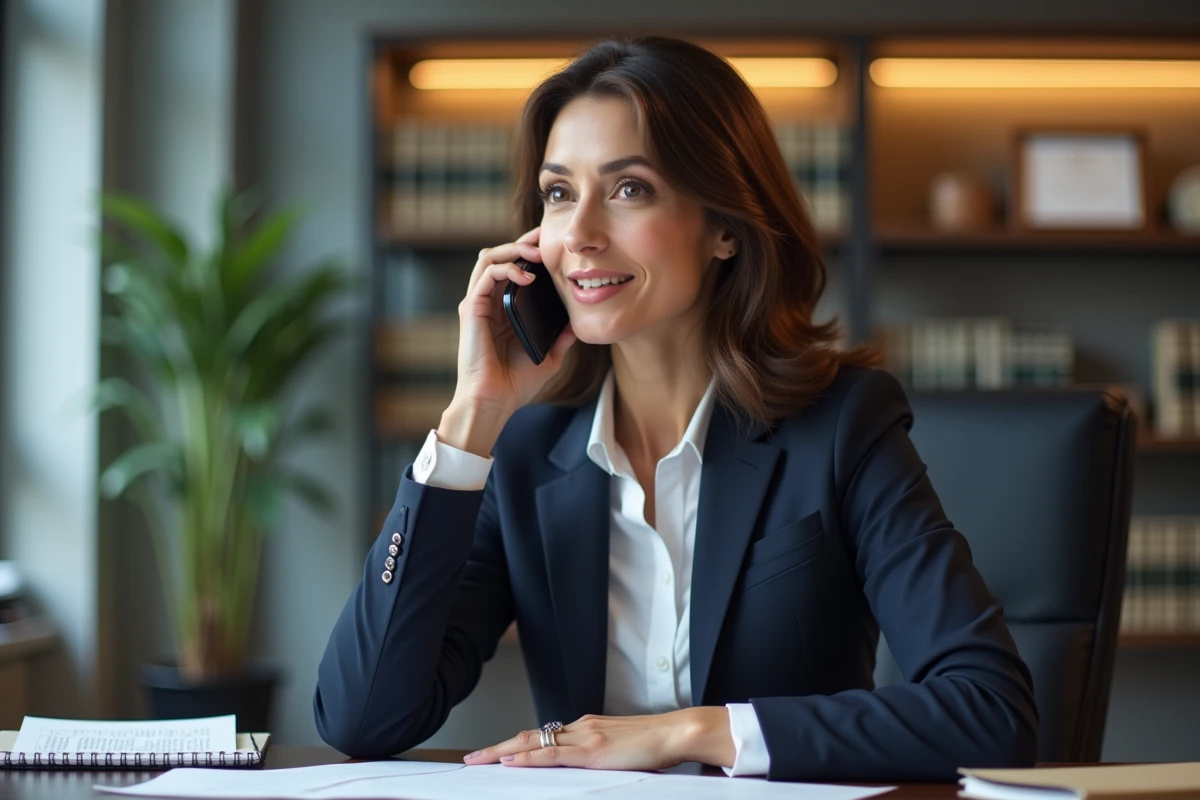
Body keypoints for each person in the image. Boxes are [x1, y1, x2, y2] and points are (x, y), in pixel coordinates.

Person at [314, 35, 1038, 782]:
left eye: (630, 189)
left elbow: (989, 712)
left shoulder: (843, 425)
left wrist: (688, 733)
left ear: (725, 226)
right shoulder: (526, 453)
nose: (582, 236)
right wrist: (471, 419)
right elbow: (361, 717)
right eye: (560, 194)